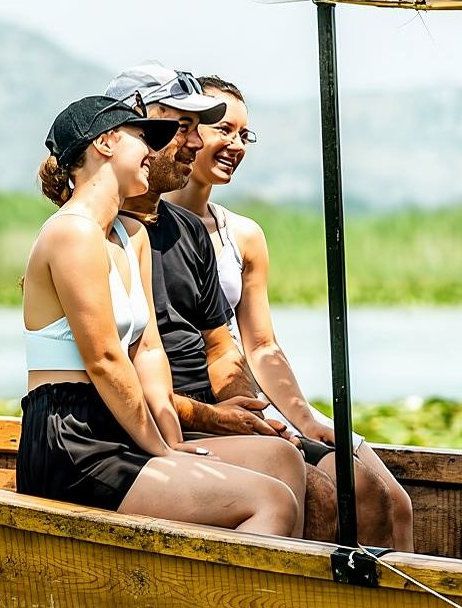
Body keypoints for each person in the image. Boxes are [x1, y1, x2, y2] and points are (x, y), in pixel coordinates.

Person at [19, 94, 303, 536]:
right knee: (269, 501)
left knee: (281, 458)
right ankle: (226, 605)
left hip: (127, 426)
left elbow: (147, 350)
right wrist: (162, 452)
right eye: (143, 138)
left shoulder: (132, 235)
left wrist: (171, 439)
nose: (155, 152)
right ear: (107, 143)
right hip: (72, 438)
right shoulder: (71, 233)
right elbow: (106, 361)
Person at [106, 62, 358, 542]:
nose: (195, 143)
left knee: (339, 488)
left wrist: (255, 414)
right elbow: (118, 372)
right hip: (137, 427)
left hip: (191, 414)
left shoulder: (187, 233)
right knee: (289, 474)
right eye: (184, 130)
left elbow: (222, 347)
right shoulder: (95, 233)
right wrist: (215, 418)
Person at [165, 75, 414, 550]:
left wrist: (303, 417)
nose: (235, 145)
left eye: (244, 135)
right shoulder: (145, 228)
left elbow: (260, 346)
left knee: (390, 499)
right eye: (223, 129)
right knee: (342, 494)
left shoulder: (243, 234)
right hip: (193, 399)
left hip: (253, 392)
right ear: (187, 131)